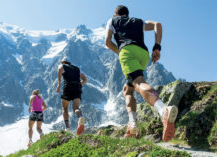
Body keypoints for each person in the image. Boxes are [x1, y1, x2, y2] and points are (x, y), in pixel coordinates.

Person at [105, 5, 178, 142]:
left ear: (116, 14)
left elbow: (108, 42)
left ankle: (163, 111)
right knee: (128, 89)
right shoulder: (138, 21)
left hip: (127, 52)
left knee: (139, 83)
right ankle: (132, 125)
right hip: (143, 54)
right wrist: (157, 47)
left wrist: (120, 51)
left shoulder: (113, 20)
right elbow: (158, 24)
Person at [56, 57, 87, 135]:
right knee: (76, 107)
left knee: (65, 108)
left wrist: (59, 84)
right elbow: (85, 80)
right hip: (77, 88)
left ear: (63, 62)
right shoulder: (77, 69)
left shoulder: (62, 66)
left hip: (68, 88)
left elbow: (59, 70)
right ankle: (80, 117)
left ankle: (67, 128)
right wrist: (79, 84)